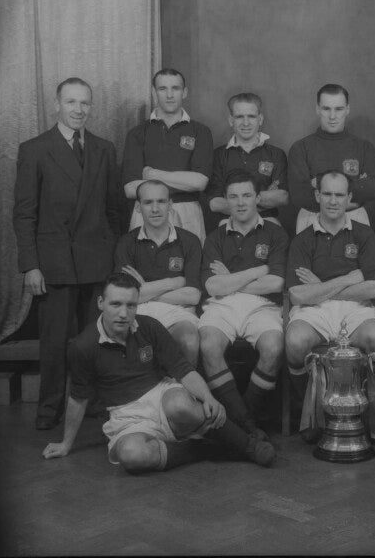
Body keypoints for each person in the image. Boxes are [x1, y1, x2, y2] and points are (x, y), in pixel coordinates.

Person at [41, 272, 276, 472]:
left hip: (161, 395)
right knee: (132, 456)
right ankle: (203, 449)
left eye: (131, 305)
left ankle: (249, 446)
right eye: (116, 304)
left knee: (182, 404)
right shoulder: (83, 346)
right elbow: (78, 398)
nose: (124, 313)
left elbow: (184, 371)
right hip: (127, 414)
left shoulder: (150, 326)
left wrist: (208, 397)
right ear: (100, 303)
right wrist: (65, 444)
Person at [13, 77, 121, 430]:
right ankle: (49, 409)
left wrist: (109, 254)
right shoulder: (35, 149)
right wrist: (31, 265)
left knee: (95, 339)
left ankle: (91, 404)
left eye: (85, 103)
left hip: (95, 261)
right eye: (71, 102)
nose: (79, 110)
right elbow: (25, 213)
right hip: (55, 263)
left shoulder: (104, 149)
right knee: (55, 342)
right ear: (57, 104)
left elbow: (113, 209)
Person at [285, 169, 375, 438]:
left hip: (355, 310)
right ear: (318, 195)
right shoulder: (302, 239)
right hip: (313, 312)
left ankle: (368, 415)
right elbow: (298, 295)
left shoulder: (364, 234)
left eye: (339, 195)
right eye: (328, 194)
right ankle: (309, 413)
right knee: (295, 342)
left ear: (349, 198)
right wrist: (348, 278)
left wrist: (320, 287)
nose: (333, 201)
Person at [199, 170, 289, 438]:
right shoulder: (215, 237)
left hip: (263, 306)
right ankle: (248, 427)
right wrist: (256, 271)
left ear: (258, 198)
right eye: (233, 197)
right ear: (226, 200)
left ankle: (241, 420)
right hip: (221, 305)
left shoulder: (276, 233)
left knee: (273, 347)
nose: (240, 203)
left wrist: (231, 278)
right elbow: (213, 287)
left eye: (247, 196)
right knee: (208, 345)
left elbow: (275, 283)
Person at [114, 180, 202, 367]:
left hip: (179, 313)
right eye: (148, 202)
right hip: (138, 313)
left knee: (189, 340)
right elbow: (126, 296)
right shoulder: (126, 243)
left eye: (161, 202)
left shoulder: (190, 241)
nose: (155, 209)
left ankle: (186, 394)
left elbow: (193, 296)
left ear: (170, 205)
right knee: (125, 344)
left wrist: (145, 290)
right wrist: (175, 281)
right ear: (138, 207)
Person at [122, 69, 213, 242]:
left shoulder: (201, 132)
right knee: (144, 267)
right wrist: (182, 181)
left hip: (187, 213)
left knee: (190, 267)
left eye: (175, 88)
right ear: (154, 92)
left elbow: (200, 182)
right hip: (147, 212)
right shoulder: (137, 133)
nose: (169, 95)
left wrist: (152, 175)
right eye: (163, 89)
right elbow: (130, 189)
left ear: (184, 92)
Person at [287, 84, 375, 232]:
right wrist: (353, 187)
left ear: (347, 109)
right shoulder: (300, 148)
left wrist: (317, 182)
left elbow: (373, 189)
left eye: (338, 109)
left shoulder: (364, 147)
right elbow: (299, 195)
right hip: (311, 218)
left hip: (354, 217)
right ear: (318, 109)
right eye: (326, 109)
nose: (332, 116)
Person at [207, 93, 288, 225]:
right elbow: (215, 203)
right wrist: (263, 198)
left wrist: (234, 199)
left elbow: (282, 197)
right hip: (228, 226)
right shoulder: (218, 155)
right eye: (239, 117)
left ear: (260, 119)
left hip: (268, 223)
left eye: (251, 116)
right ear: (231, 120)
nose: (246, 123)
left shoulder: (276, 154)